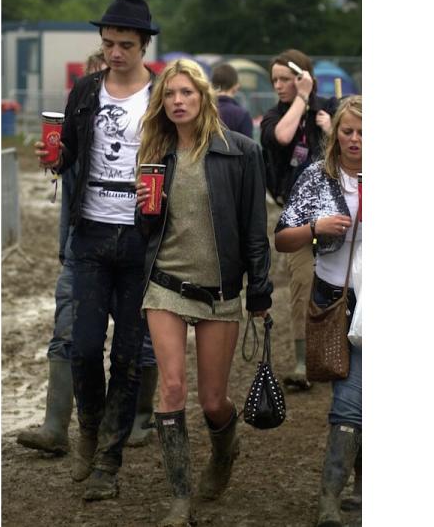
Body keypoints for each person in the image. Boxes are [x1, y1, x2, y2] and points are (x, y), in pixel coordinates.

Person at [134, 59, 273, 527]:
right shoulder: (155, 151)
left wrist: (261, 291)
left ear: (204, 97)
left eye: (186, 93)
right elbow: (147, 232)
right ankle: (179, 498)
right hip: (166, 285)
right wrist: (146, 211)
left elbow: (255, 228)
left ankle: (223, 452)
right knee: (172, 388)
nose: (177, 101)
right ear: (161, 102)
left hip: (219, 291)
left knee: (213, 400)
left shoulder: (241, 152)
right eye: (169, 94)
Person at [33, 0, 160, 501]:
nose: (115, 53)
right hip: (88, 232)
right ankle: (87, 429)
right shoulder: (85, 89)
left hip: (140, 237)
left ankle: (108, 461)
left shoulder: (162, 95)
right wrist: (57, 154)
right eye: (108, 43)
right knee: (83, 346)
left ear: (143, 44)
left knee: (129, 356)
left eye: (125, 45)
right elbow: (71, 156)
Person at [273, 96, 362, 527]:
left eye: (364, 132)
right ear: (335, 133)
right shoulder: (316, 178)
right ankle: (344, 489)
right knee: (350, 393)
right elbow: (282, 238)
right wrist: (315, 229)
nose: (355, 140)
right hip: (334, 300)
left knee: (352, 399)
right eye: (348, 131)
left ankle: (332, 497)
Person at [260, 49, 339, 391]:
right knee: (301, 286)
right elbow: (281, 137)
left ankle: (342, 352)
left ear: (303, 75)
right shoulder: (273, 117)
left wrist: (331, 127)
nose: (278, 85)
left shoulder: (331, 108)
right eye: (274, 79)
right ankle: (303, 362)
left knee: (343, 287)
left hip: (339, 214)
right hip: (298, 217)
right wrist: (301, 98)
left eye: (285, 79)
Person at [210, 63, 253, 138]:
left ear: (212, 84)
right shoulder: (242, 114)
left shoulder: (203, 110)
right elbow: (248, 147)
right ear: (236, 86)